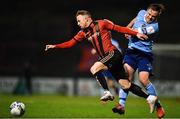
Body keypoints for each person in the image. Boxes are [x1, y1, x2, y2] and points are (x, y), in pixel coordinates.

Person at [45, 10, 157, 112]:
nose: (78, 23)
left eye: (79, 21)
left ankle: (107, 92)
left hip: (113, 54)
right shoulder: (82, 33)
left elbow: (119, 28)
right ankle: (150, 98)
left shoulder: (102, 23)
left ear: (87, 19)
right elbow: (70, 43)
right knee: (125, 85)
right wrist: (55, 46)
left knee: (94, 68)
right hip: (110, 58)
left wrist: (136, 33)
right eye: (77, 21)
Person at [112, 4, 165, 118]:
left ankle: (159, 105)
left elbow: (138, 31)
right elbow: (136, 19)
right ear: (147, 11)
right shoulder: (141, 12)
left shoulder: (154, 27)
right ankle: (121, 105)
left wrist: (128, 31)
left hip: (144, 54)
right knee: (126, 77)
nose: (150, 17)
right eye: (149, 14)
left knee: (143, 79)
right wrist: (128, 26)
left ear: (157, 16)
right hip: (132, 51)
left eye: (153, 16)